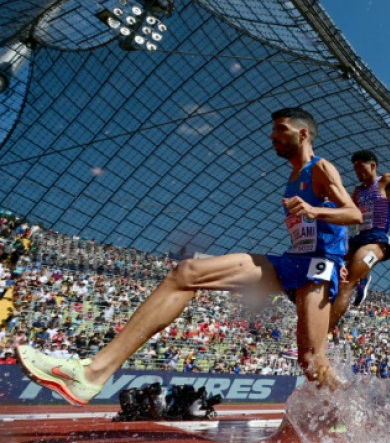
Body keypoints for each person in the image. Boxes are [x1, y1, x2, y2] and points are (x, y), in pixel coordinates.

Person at [16, 107, 362, 406]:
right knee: (186, 273)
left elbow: (354, 214)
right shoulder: (292, 177)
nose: (272, 136)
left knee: (312, 361)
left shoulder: (321, 167)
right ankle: (92, 374)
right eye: (273, 130)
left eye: (280, 130)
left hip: (319, 267)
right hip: (292, 260)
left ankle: (354, 410)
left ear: (303, 134)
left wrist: (315, 211)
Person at [329, 145, 390, 329]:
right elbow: (348, 212)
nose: (358, 173)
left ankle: (327, 331)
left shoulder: (385, 180)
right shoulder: (358, 191)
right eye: (355, 169)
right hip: (358, 238)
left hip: (376, 238)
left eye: (361, 168)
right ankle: (363, 278)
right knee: (324, 260)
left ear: (372, 166)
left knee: (347, 284)